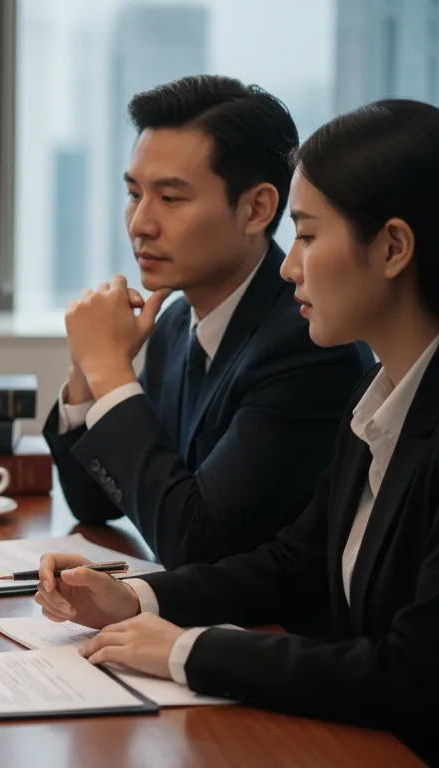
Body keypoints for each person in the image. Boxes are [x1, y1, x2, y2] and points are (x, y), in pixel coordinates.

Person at [35, 99, 439, 764]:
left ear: (393, 247)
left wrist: (187, 649)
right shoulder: (382, 395)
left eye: (307, 236)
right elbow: (293, 562)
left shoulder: (316, 355)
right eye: (135, 194)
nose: (290, 265)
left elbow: (412, 675)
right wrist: (132, 597)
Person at [45, 75, 373, 567]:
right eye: (135, 194)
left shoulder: (307, 344)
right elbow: (93, 503)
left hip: (274, 633)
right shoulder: (178, 323)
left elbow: (195, 543)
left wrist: (111, 371)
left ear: (256, 208)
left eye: (170, 198)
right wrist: (86, 373)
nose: (140, 224)